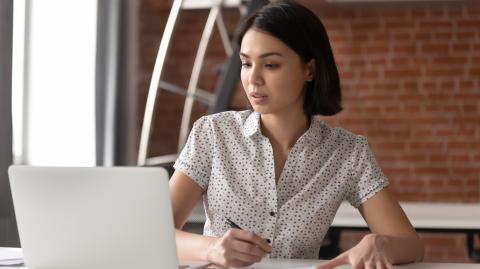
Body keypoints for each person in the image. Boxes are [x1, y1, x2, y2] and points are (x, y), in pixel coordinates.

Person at [169, 1, 424, 268]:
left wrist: (378, 243)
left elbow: (411, 244)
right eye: (246, 64)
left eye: (270, 65)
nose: (253, 79)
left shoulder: (347, 153)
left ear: (309, 70)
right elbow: (153, 232)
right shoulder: (212, 134)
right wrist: (211, 249)